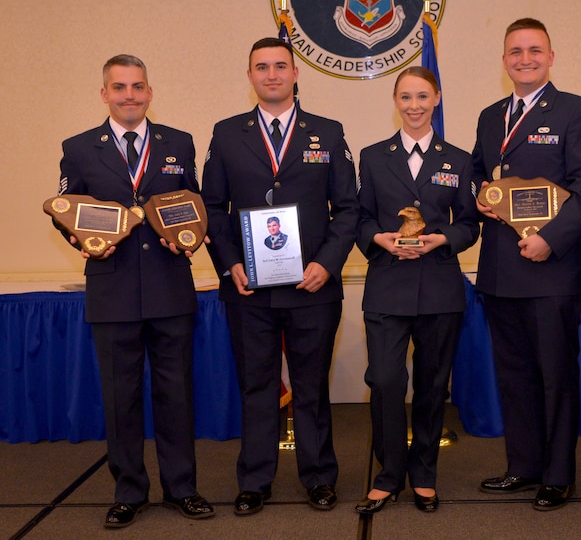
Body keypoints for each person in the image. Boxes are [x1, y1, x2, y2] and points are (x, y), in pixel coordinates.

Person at [201, 37, 358, 515]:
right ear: (249, 76)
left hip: (312, 288)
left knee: (311, 387)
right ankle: (254, 480)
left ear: (295, 74)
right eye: (261, 67)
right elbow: (212, 208)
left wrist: (326, 264)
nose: (271, 74)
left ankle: (318, 477)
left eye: (280, 66)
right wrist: (229, 265)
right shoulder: (227, 134)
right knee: (256, 385)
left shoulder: (327, 133)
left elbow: (348, 209)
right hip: (248, 290)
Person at [55, 54, 214, 528]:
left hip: (169, 289)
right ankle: (129, 492)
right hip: (112, 291)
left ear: (149, 91)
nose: (130, 95)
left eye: (138, 86)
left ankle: (182, 488)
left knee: (176, 394)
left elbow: (193, 203)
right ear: (104, 93)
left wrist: (191, 234)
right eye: (120, 87)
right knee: (120, 398)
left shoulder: (178, 143)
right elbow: (69, 211)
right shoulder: (80, 147)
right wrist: (81, 242)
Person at [471, 18, 581, 511]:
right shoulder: (490, 116)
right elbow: (475, 175)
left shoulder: (575, 111)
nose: (524, 59)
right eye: (515, 51)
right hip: (501, 269)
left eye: (533, 50)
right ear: (504, 59)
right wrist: (480, 199)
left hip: (552, 269)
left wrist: (550, 240)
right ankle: (523, 466)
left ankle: (558, 475)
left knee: (555, 375)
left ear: (551, 57)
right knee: (514, 374)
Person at [354, 66, 480, 514]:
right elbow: (361, 218)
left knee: (432, 386)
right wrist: (380, 239)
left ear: (437, 98)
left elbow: (470, 223)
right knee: (386, 381)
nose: (414, 106)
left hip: (440, 289)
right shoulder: (371, 157)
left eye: (423, 97)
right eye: (406, 97)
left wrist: (442, 238)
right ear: (395, 101)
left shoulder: (460, 159)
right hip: (388, 286)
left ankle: (423, 475)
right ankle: (389, 475)